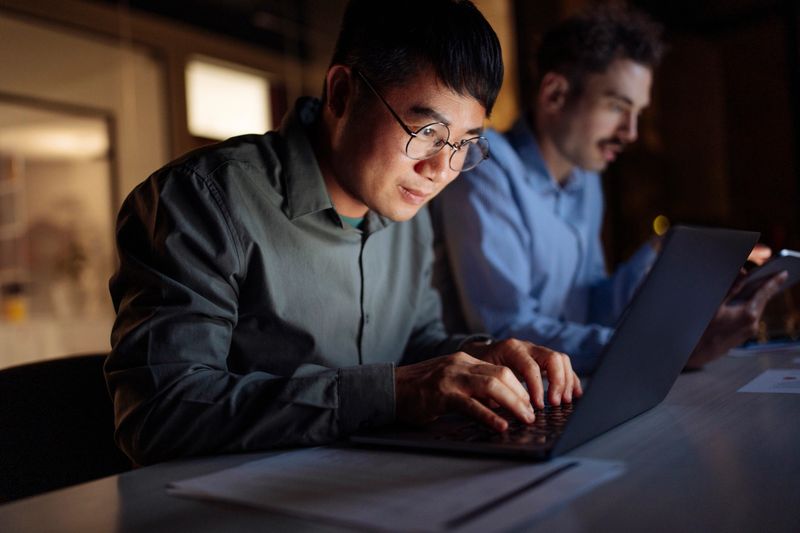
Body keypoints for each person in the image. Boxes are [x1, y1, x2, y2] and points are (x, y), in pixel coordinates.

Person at [106, 0, 582, 466]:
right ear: (341, 93)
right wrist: (392, 392)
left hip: (369, 483)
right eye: (427, 132)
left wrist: (479, 356)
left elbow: (414, 342)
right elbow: (158, 413)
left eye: (465, 144)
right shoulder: (202, 201)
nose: (440, 169)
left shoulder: (404, 209)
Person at [431, 5, 786, 375]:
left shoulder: (586, 179)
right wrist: (663, 351)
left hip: (565, 386)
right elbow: (506, 333)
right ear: (555, 93)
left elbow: (590, 308)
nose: (631, 132)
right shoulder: (485, 167)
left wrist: (662, 263)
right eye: (618, 107)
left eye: (637, 113)